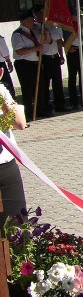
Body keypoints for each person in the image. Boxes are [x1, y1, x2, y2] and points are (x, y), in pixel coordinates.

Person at [11, 9, 49, 121]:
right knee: (28, 89)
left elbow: (45, 41)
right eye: (31, 20)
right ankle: (28, 114)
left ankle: (40, 110)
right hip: (24, 65)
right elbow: (19, 51)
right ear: (24, 21)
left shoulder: (32, 31)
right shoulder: (18, 34)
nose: (33, 21)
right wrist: (35, 48)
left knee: (39, 87)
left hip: (34, 63)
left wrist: (46, 33)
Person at [0, 84, 27, 223]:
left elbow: (20, 123)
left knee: (17, 224)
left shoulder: (1, 91)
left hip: (6, 165)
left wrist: (5, 100)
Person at [33, 5, 67, 113]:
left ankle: (60, 105)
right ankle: (46, 106)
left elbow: (59, 41)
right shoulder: (35, 28)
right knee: (45, 84)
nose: (41, 15)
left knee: (58, 83)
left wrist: (61, 55)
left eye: (43, 13)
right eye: (39, 13)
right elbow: (43, 40)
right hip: (44, 58)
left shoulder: (53, 25)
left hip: (54, 56)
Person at [66, 14, 83, 109]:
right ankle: (74, 102)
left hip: (82, 48)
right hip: (73, 50)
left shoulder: (82, 19)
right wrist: (67, 47)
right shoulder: (67, 19)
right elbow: (64, 35)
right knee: (73, 77)